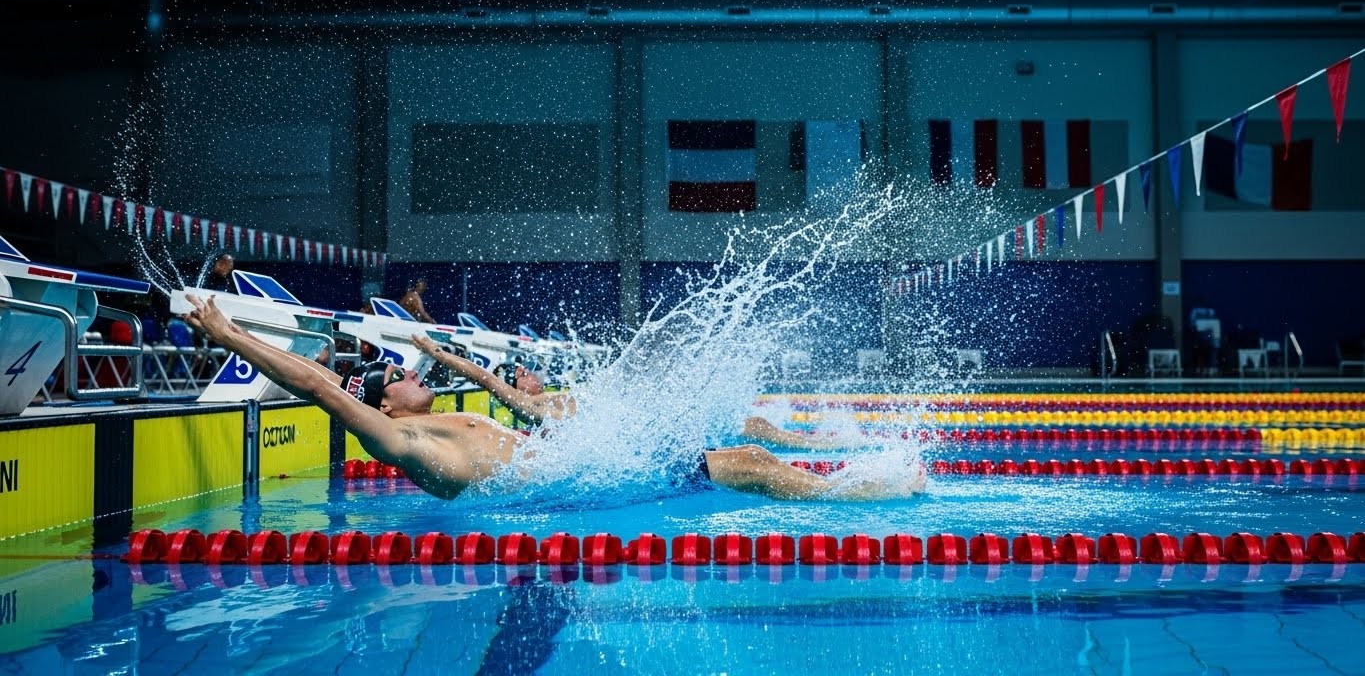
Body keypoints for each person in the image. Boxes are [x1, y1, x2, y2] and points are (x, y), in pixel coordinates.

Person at [181, 294, 920, 501]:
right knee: (751, 460)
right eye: (404, 375)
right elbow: (316, 384)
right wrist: (226, 332)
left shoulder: (440, 423)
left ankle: (847, 478)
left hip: (590, 473)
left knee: (748, 453)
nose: (418, 376)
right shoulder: (399, 440)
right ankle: (861, 492)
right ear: (385, 404)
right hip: (585, 487)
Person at [410, 334, 870, 451]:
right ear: (514, 387)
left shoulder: (553, 399)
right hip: (643, 436)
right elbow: (484, 377)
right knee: (747, 432)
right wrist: (436, 353)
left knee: (746, 424)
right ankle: (818, 446)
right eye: (522, 372)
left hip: (642, 425)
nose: (531, 374)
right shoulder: (531, 406)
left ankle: (814, 443)